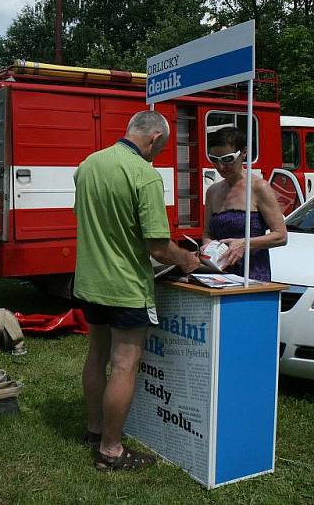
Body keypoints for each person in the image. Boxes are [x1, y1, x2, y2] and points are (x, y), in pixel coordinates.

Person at [73, 110, 200, 471]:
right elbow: (158, 248)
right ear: (155, 138)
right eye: (162, 147)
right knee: (125, 365)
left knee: (96, 355)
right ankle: (111, 451)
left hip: (89, 282)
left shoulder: (88, 165)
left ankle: (94, 430)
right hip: (125, 287)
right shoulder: (145, 175)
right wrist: (187, 259)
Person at [201, 126, 287, 281]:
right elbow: (207, 233)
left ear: (244, 153)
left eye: (228, 159)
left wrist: (245, 243)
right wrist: (208, 247)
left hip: (253, 276)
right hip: (220, 276)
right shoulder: (212, 191)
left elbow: (281, 236)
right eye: (214, 160)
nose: (221, 167)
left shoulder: (258, 187)